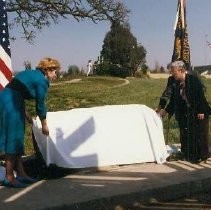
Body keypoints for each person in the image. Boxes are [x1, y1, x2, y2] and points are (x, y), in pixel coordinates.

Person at [0, 57, 60, 187]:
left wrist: (26, 114)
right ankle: (9, 177)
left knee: (18, 137)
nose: (56, 75)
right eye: (54, 71)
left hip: (8, 99)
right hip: (11, 103)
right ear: (47, 70)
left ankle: (21, 173)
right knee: (13, 138)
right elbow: (40, 105)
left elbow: (17, 90)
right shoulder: (41, 81)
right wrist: (44, 124)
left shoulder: (32, 74)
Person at [158, 60, 211, 163]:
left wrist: (201, 111)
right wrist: (166, 111)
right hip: (188, 111)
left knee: (200, 134)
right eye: (172, 72)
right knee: (187, 133)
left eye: (174, 72)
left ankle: (203, 156)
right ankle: (188, 154)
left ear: (181, 70)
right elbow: (173, 100)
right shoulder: (176, 83)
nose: (173, 74)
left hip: (200, 110)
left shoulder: (193, 80)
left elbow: (200, 96)